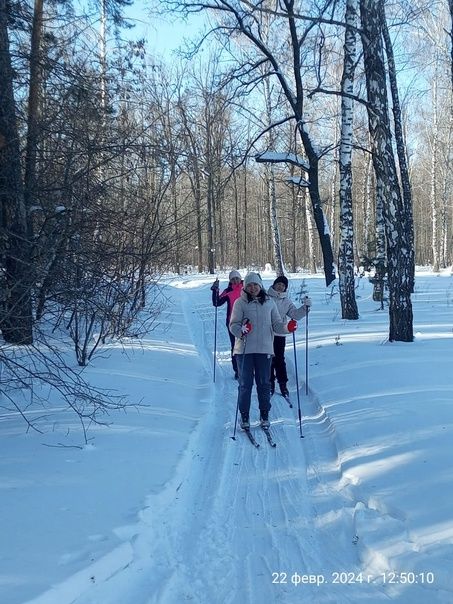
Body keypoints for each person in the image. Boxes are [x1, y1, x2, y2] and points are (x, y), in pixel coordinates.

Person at [229, 272, 297, 429]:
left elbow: (277, 325)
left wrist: (287, 327)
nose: (252, 288)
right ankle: (244, 416)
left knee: (264, 384)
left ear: (260, 286)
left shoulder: (269, 303)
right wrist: (242, 330)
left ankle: (264, 415)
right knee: (245, 384)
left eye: (255, 285)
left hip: (265, 349)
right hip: (244, 350)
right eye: (249, 285)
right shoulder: (240, 303)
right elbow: (233, 325)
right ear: (245, 287)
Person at [267, 275, 312, 397]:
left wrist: (305, 308)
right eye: (279, 284)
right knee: (268, 359)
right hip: (265, 333)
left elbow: (295, 314)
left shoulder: (286, 301)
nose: (280, 287)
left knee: (279, 360)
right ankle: (269, 383)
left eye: (283, 285)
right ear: (274, 284)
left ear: (285, 288)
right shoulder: (266, 297)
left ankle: (283, 384)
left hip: (280, 333)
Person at [211, 270, 243, 379]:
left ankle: (248, 369)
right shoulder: (228, 290)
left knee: (248, 346)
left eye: (236, 278)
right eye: (232, 279)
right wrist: (215, 290)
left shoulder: (247, 288)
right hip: (232, 322)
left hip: (247, 322)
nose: (235, 281)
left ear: (240, 278)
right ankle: (237, 370)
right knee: (235, 347)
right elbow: (217, 302)